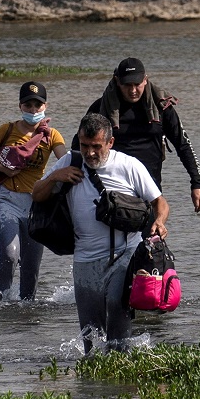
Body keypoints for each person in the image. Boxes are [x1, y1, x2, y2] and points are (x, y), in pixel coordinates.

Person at [32, 112, 168, 353]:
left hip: (125, 256)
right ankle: (93, 385)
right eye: (85, 145)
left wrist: (159, 221)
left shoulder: (129, 166)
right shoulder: (69, 162)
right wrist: (55, 177)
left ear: (110, 143)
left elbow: (160, 202)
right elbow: (37, 194)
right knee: (91, 336)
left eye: (96, 146)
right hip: (85, 258)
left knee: (117, 315)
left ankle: (121, 377)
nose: (90, 153)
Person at [0, 82, 66, 302]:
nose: (33, 109)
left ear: (45, 106)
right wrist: (2, 168)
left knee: (31, 266)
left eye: (38, 104)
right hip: (6, 199)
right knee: (10, 254)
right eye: (28, 105)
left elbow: (65, 161)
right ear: (20, 106)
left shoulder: (51, 135)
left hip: (36, 204)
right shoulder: (7, 129)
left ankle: (26, 312)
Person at [82, 58, 200, 213]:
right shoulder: (101, 108)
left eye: (137, 84)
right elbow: (80, 145)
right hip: (112, 187)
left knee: (151, 234)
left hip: (150, 188)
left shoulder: (162, 107)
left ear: (145, 80)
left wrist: (198, 184)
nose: (133, 90)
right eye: (127, 85)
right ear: (117, 81)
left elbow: (183, 145)